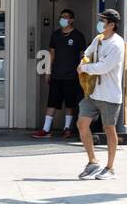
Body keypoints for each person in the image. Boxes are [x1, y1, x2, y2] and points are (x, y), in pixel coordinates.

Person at [76, 8, 126, 180]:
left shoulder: (117, 44)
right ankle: (92, 162)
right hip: (92, 93)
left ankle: (110, 168)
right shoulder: (98, 39)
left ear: (111, 25)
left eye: (103, 21)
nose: (99, 23)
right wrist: (83, 61)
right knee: (82, 124)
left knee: (109, 129)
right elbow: (87, 53)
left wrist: (84, 68)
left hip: (110, 95)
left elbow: (104, 67)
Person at [33, 8, 88, 139]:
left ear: (72, 20)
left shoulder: (78, 36)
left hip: (72, 76)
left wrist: (82, 71)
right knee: (52, 102)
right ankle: (46, 130)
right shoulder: (55, 35)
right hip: (57, 75)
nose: (63, 19)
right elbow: (51, 54)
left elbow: (83, 55)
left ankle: (67, 128)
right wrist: (48, 71)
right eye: (61, 17)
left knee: (70, 103)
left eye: (66, 17)